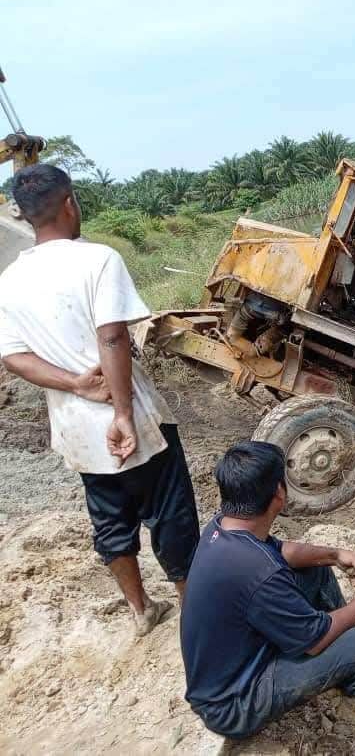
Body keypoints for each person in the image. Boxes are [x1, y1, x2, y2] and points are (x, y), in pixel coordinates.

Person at [0, 164, 198, 636]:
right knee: (170, 513)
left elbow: (13, 358)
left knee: (110, 519)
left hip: (76, 428)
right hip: (134, 419)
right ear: (69, 203)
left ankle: (140, 610)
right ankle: (193, 610)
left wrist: (74, 384)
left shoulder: (9, 281)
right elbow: (112, 336)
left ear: (26, 217)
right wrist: (124, 413)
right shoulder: (98, 260)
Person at [180, 441, 355, 756]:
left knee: (315, 568)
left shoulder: (224, 528)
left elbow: (280, 552)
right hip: (235, 703)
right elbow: (315, 640)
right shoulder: (258, 573)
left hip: (231, 667)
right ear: (278, 494)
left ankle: (345, 669)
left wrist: (335, 555)